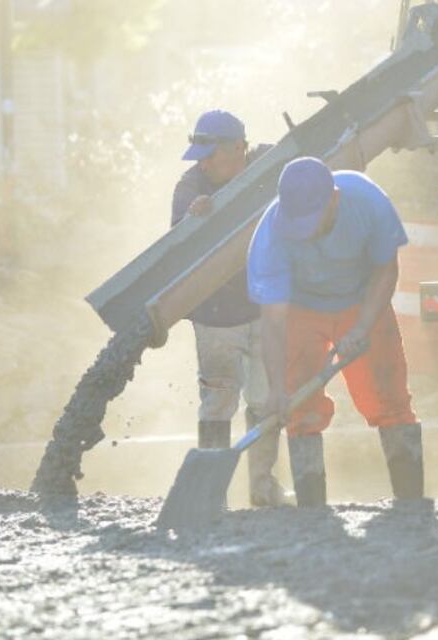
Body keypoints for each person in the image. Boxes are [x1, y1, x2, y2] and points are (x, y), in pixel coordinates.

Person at [247, 156, 423, 507]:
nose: (304, 231)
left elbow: (386, 269)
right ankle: (313, 508)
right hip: (300, 308)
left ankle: (411, 503)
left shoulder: (369, 203)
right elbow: (274, 320)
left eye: (310, 222)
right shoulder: (270, 239)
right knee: (300, 406)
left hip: (362, 299)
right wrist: (278, 388)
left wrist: (363, 325)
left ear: (335, 199)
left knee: (388, 396)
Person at [172, 109, 288, 506]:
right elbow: (176, 244)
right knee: (219, 400)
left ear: (239, 148)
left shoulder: (265, 165)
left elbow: (297, 161)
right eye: (199, 154)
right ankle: (211, 495)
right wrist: (193, 220)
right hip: (215, 317)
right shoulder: (190, 189)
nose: (203, 162)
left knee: (265, 398)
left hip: (264, 309)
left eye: (210, 153)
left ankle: (263, 485)